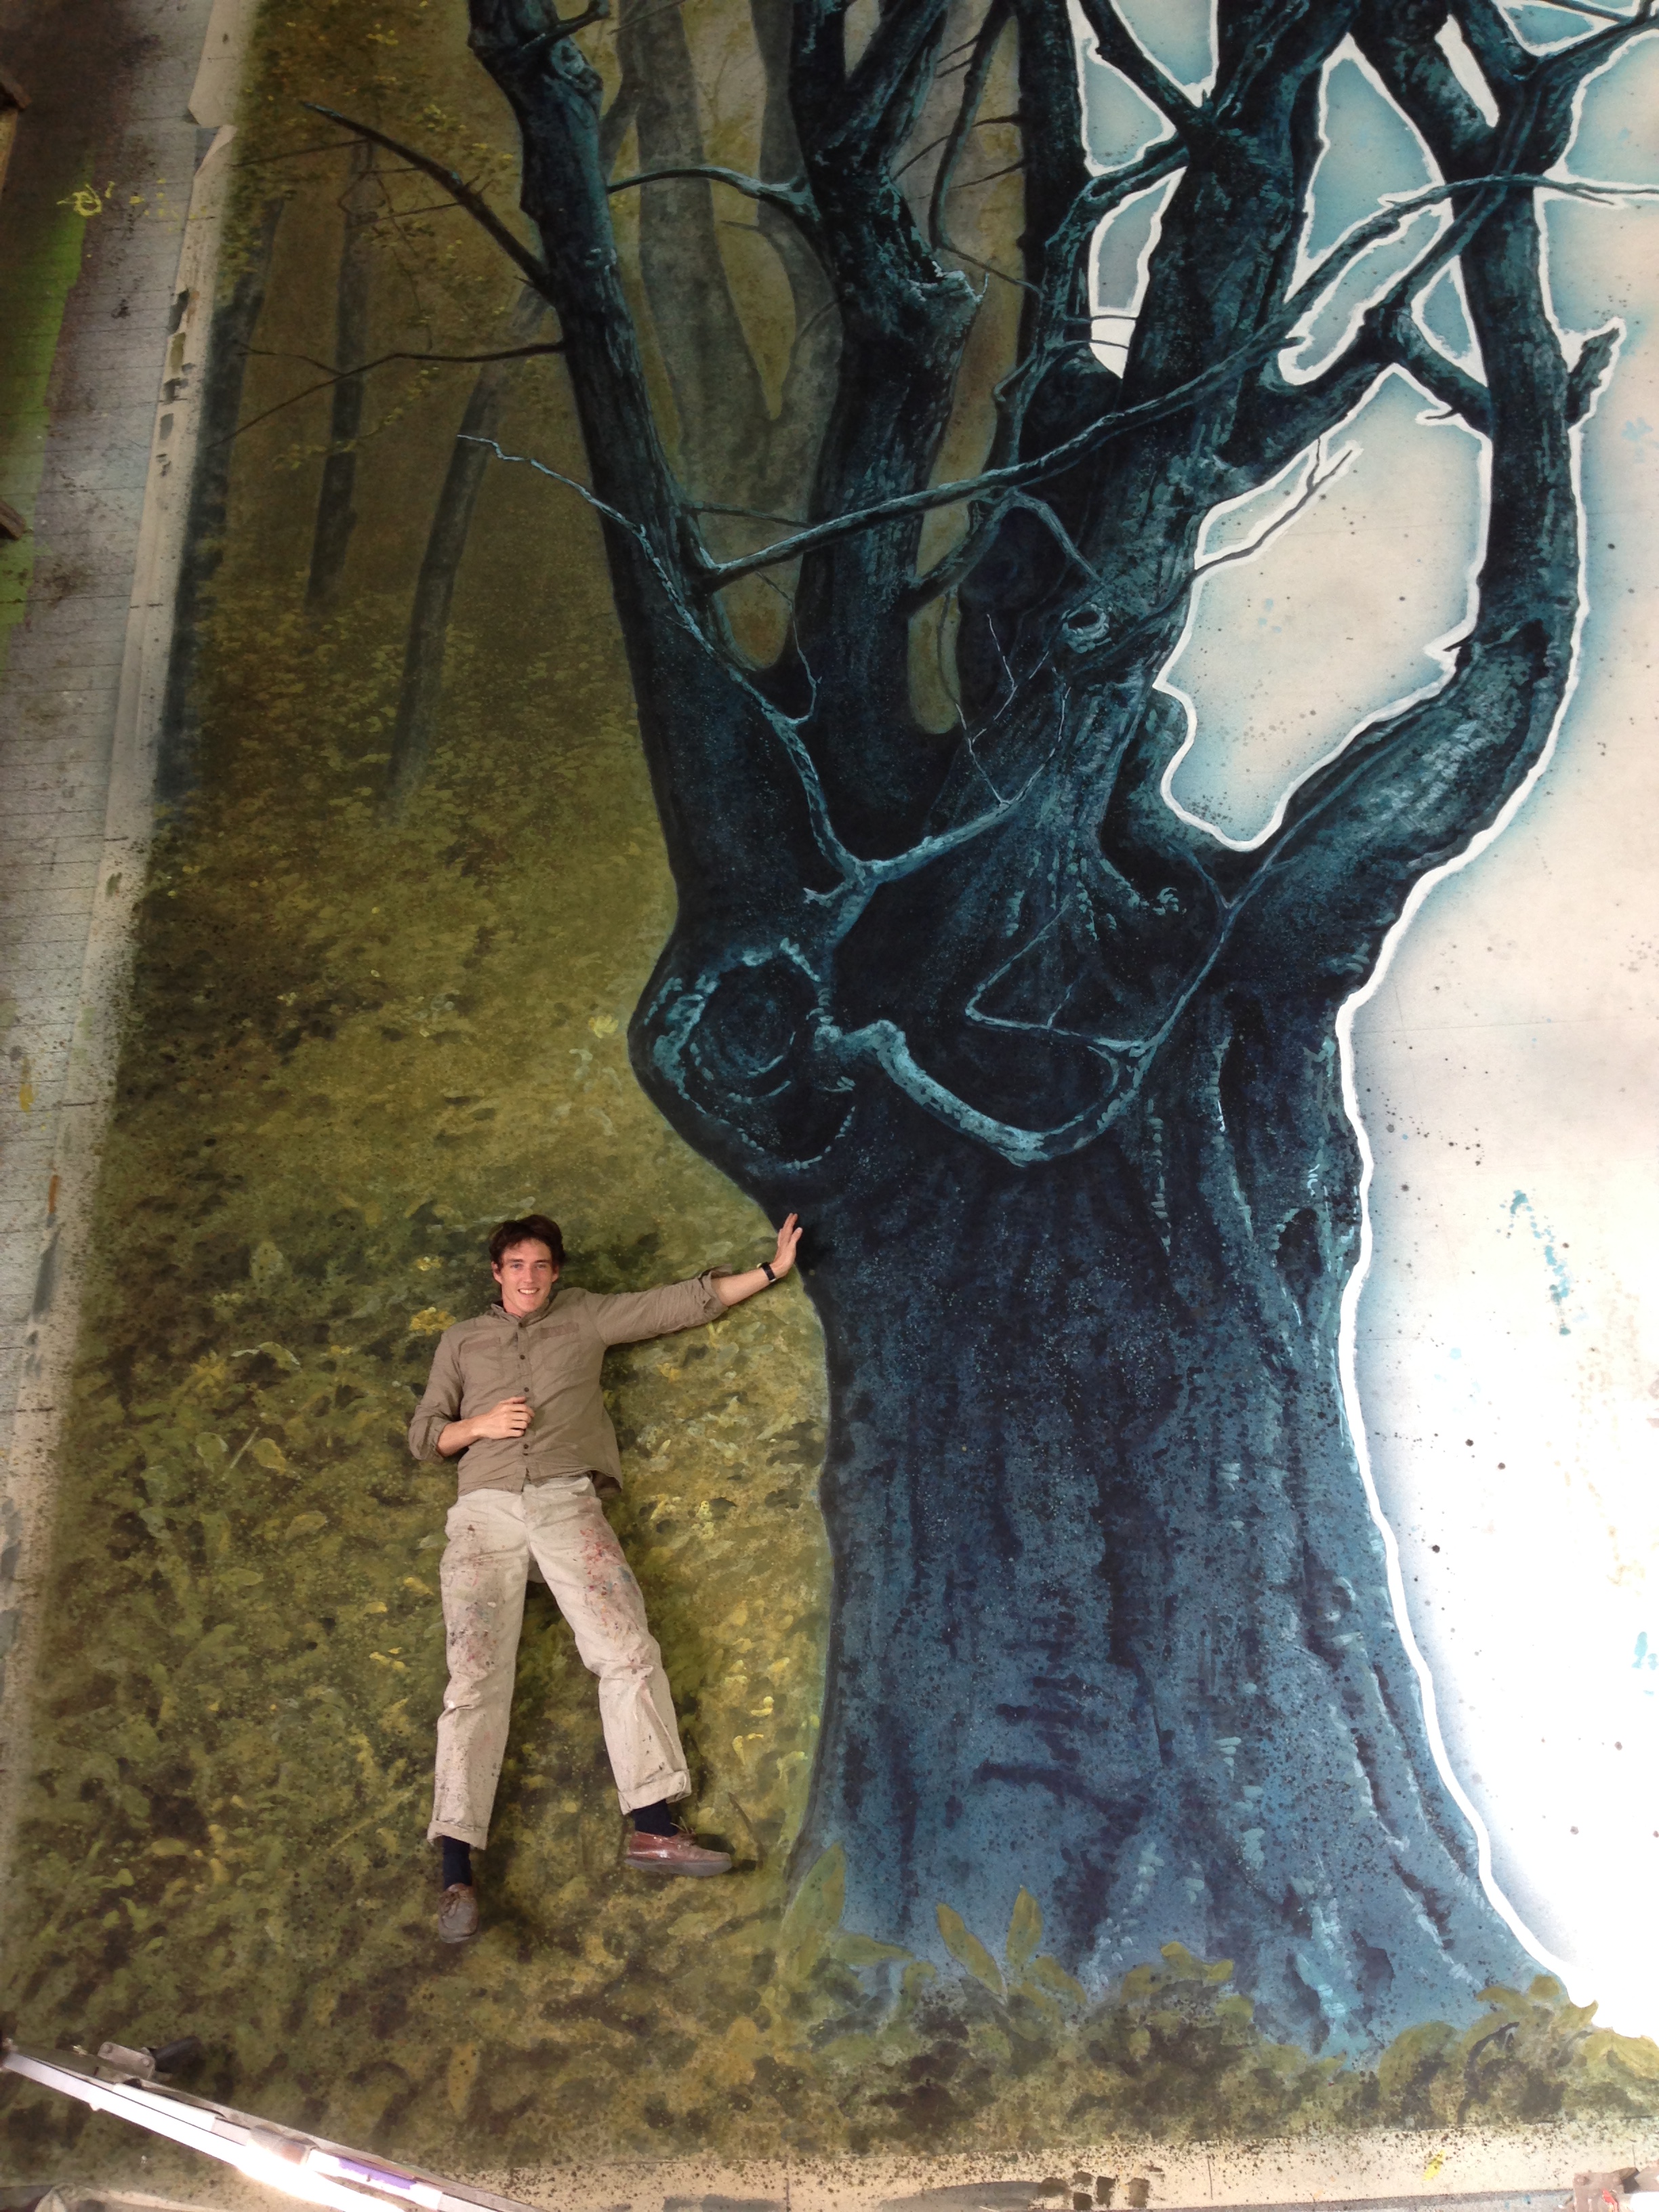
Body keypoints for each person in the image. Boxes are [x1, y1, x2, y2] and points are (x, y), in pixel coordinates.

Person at [408, 1208, 802, 1942]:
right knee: (475, 1680)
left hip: (566, 1501)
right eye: (516, 1266)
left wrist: (772, 1270)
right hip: (484, 1512)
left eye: (541, 1266)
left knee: (627, 1652)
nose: (529, 1278)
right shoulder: (461, 1340)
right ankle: (456, 1876)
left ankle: (654, 1828)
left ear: (556, 1272)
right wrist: (480, 1427)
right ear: (497, 1273)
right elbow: (425, 1434)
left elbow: (676, 1305)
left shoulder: (585, 1316)